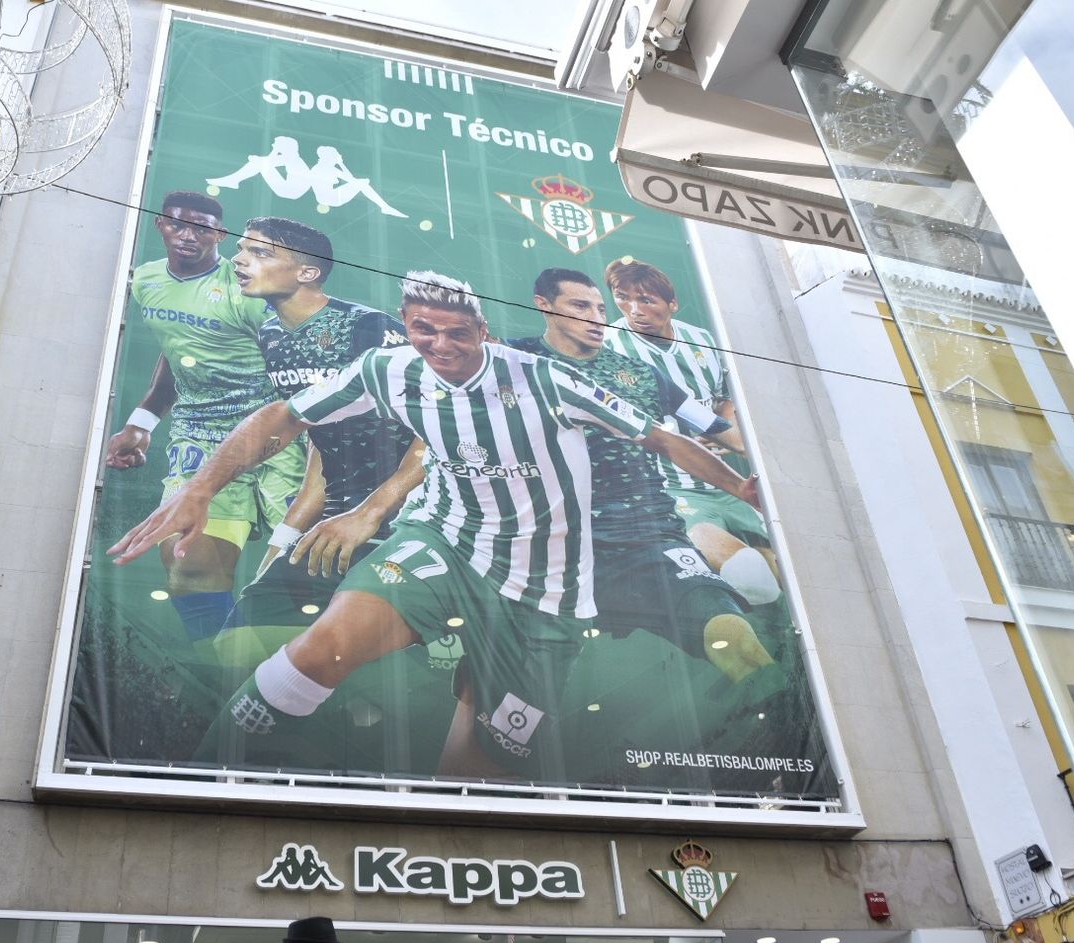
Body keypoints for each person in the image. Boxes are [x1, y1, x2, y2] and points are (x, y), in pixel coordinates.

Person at [110, 271, 758, 779]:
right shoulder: (388, 370)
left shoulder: (545, 380)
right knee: (325, 644)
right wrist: (200, 488)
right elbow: (286, 415)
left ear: (483, 331)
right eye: (424, 330)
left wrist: (739, 487)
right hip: (445, 542)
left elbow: (661, 438)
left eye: (457, 333)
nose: (441, 346)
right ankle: (204, 784)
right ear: (406, 327)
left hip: (542, 587)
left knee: (482, 763)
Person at [509, 268, 785, 696]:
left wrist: (760, 473)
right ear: (544, 305)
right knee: (523, 687)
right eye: (580, 307)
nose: (596, 318)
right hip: (552, 543)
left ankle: (769, 688)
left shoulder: (639, 374)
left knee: (719, 613)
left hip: (649, 535)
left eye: (600, 309)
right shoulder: (511, 359)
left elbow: (710, 428)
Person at [216, 216, 422, 671]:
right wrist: (283, 540)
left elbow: (439, 430)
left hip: (411, 522)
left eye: (260, 253)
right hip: (334, 523)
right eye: (241, 250)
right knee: (236, 647)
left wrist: (372, 512)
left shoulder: (370, 328)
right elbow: (322, 443)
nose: (239, 260)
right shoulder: (271, 335)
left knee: (371, 665)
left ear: (307, 272)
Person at [104, 190, 304, 641]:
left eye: (201, 229)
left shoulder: (249, 291)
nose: (187, 235)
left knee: (301, 566)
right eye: (177, 224)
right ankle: (234, 668)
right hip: (201, 432)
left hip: (277, 430)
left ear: (220, 235)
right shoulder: (147, 281)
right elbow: (177, 349)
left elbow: (300, 363)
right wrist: (142, 422)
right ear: (160, 225)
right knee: (186, 566)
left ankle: (299, 670)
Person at [603, 257, 777, 593]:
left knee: (784, 575)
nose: (634, 310)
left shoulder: (701, 339)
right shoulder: (611, 347)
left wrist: (726, 433)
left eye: (646, 300)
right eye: (623, 298)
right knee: (750, 575)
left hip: (728, 483)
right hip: (671, 488)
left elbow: (723, 400)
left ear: (673, 304)